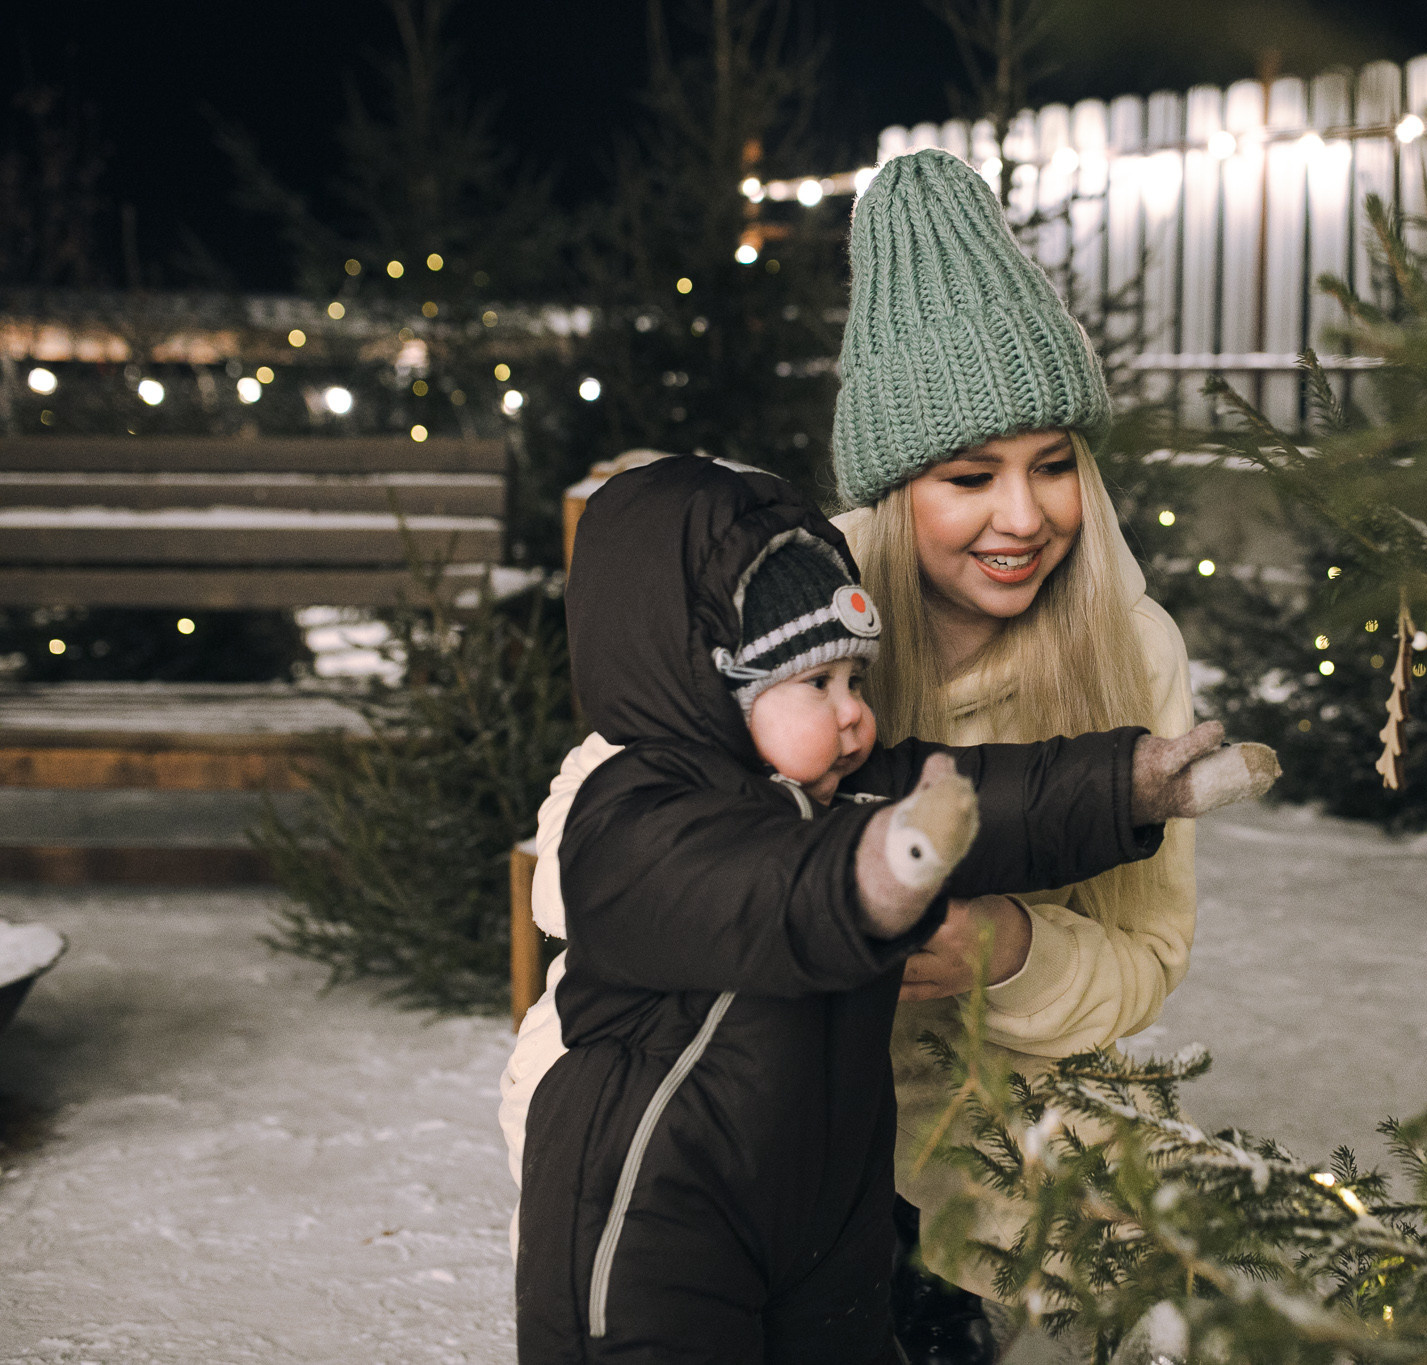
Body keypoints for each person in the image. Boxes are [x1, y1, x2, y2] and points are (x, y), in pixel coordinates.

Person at [513, 453, 1274, 1364]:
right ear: (712, 688)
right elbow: (748, 886)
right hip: (657, 1198)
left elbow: (988, 800)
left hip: (824, 1188)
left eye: (857, 683)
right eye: (816, 686)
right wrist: (870, 873)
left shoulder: (837, 779)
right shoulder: (633, 814)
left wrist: (1130, 786)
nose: (855, 717)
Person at [826, 148, 1206, 1359]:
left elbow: (1148, 958)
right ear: (893, 495)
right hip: (800, 1121)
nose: (1024, 517)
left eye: (1053, 465)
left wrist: (1010, 950)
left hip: (1015, 1124)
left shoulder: (1129, 647)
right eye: (967, 476)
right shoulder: (793, 625)